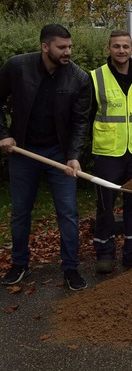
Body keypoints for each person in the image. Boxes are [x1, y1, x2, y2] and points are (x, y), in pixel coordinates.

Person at [0, 24, 91, 290]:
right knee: (20, 212)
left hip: (59, 155)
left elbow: (80, 123)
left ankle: (71, 268)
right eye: (61, 47)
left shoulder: (78, 78)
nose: (68, 52)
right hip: (23, 150)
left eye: (70, 47)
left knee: (68, 212)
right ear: (44, 46)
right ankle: (19, 263)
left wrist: (73, 156)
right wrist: (4, 133)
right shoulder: (17, 67)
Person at [90, 30, 132, 273]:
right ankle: (105, 254)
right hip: (108, 153)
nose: (121, 50)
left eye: (125, 46)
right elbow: (88, 115)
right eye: (116, 46)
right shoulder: (96, 77)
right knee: (105, 204)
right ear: (109, 48)